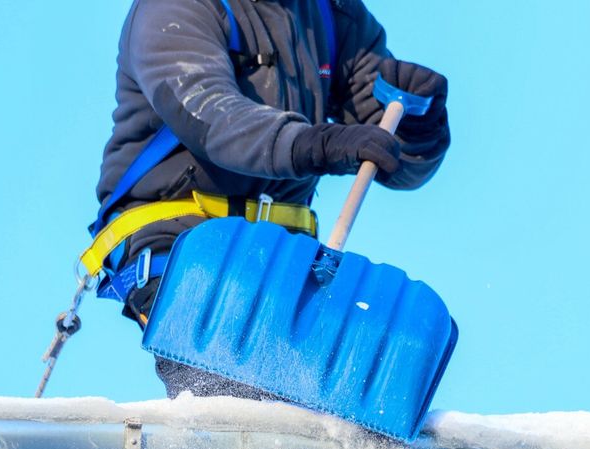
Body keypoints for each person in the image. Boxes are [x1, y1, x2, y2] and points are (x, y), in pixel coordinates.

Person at [89, 0, 450, 398]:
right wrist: (316, 144)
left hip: (288, 260)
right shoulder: (174, 8)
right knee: (229, 397)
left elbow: (390, 153)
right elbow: (213, 117)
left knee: (345, 397)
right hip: (184, 244)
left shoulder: (331, 14)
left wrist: (419, 128)